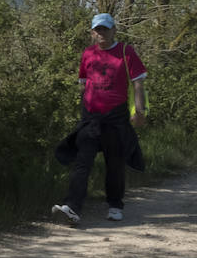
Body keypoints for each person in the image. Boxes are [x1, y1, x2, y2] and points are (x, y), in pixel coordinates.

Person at [52, 13, 147, 225]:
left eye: (105, 29)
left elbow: (138, 83)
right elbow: (84, 84)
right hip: (91, 117)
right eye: (98, 29)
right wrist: (83, 109)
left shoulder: (125, 51)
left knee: (114, 163)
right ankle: (72, 207)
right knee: (81, 161)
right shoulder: (87, 54)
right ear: (92, 32)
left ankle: (115, 205)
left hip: (116, 117)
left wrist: (139, 111)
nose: (101, 33)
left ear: (114, 30)